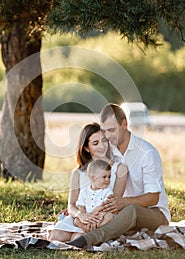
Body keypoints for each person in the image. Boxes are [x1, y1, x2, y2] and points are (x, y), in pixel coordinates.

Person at [68, 103, 171, 249]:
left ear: (124, 124)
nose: (108, 137)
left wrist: (125, 202)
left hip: (154, 213)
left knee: (132, 210)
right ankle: (90, 229)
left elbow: (153, 197)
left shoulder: (146, 153)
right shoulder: (110, 150)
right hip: (119, 212)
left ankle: (89, 239)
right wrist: (78, 211)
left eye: (111, 130)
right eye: (105, 131)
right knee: (120, 213)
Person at [48, 122, 128, 242]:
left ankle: (85, 233)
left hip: (103, 217)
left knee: (78, 238)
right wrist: (81, 216)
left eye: (104, 141)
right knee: (56, 237)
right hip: (82, 216)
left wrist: (95, 217)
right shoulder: (78, 173)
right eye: (95, 143)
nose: (102, 146)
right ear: (86, 148)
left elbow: (114, 203)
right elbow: (72, 205)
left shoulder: (120, 169)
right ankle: (79, 230)